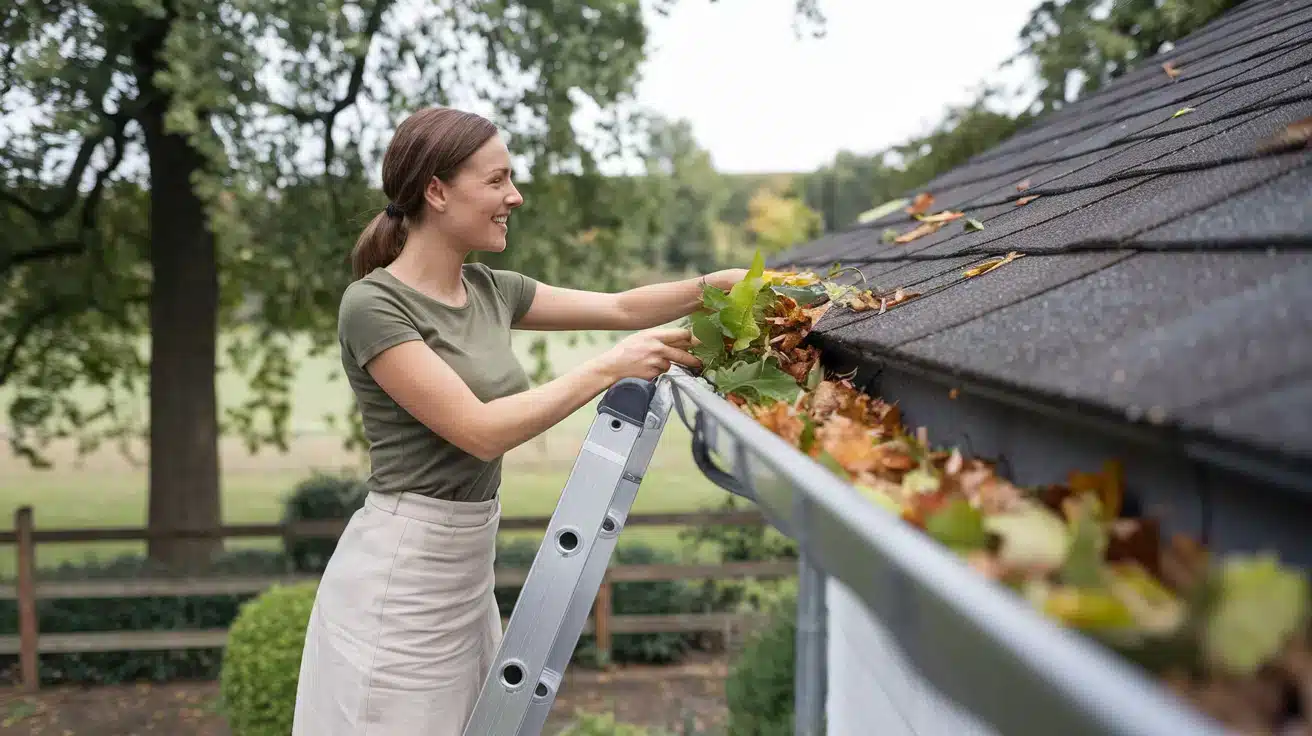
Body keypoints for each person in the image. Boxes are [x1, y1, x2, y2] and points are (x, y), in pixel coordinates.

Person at [291, 105, 747, 736]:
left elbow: (619, 307)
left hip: (468, 572)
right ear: (436, 191)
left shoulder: (489, 290)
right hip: (402, 579)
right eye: (498, 180)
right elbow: (479, 431)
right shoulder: (373, 305)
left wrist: (721, 286)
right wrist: (612, 369)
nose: (516, 195)